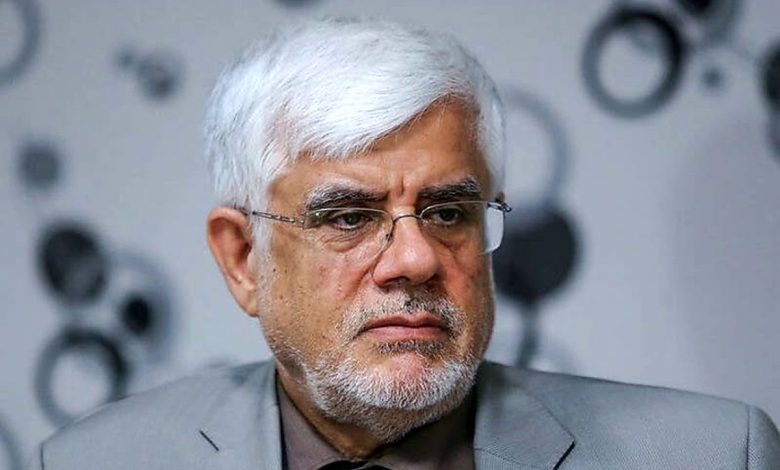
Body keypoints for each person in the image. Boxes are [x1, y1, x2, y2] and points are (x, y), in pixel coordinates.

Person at [30, 17, 780, 470]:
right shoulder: (93, 464)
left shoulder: (715, 455)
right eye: (348, 218)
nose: (416, 259)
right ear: (243, 259)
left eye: (449, 212)